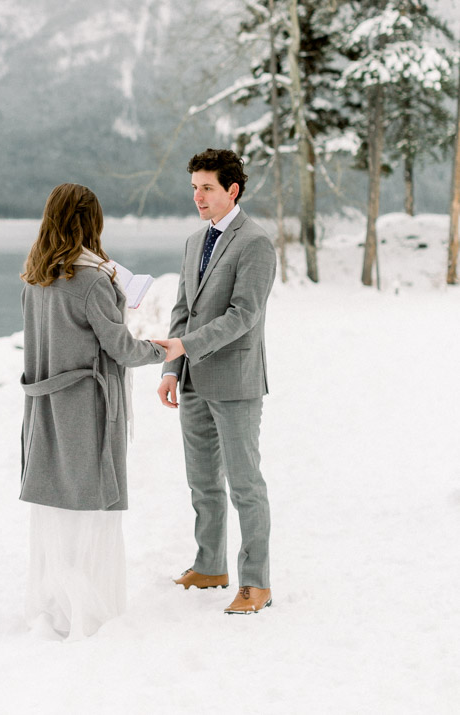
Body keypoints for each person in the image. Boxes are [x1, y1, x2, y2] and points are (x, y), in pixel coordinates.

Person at [19, 182, 166, 641]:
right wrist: (165, 350)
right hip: (86, 410)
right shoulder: (91, 281)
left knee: (56, 510)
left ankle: (54, 607)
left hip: (44, 411)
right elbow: (121, 349)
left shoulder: (35, 277)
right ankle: (89, 614)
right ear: (90, 223)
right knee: (91, 510)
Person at [155, 148, 276, 615]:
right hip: (192, 381)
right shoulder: (192, 242)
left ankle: (255, 582)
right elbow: (182, 310)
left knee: (245, 484)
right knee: (202, 482)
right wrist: (171, 368)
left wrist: (188, 346)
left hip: (237, 381)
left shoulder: (255, 243)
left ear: (232, 190)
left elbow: (244, 316)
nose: (197, 197)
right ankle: (210, 566)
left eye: (206, 188)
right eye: (194, 187)